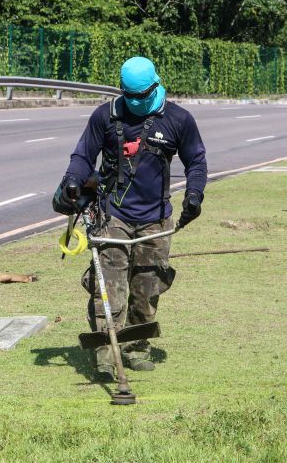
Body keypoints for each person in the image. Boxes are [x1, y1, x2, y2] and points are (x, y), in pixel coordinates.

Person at [53, 56, 207, 381]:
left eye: (142, 95)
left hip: (155, 218)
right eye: (130, 95)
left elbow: (196, 160)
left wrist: (194, 195)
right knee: (108, 288)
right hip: (112, 215)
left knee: (146, 287)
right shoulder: (105, 117)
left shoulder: (177, 119)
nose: (135, 102)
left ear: (156, 85)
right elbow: (83, 155)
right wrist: (72, 180)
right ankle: (107, 355)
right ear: (122, 90)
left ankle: (138, 349)